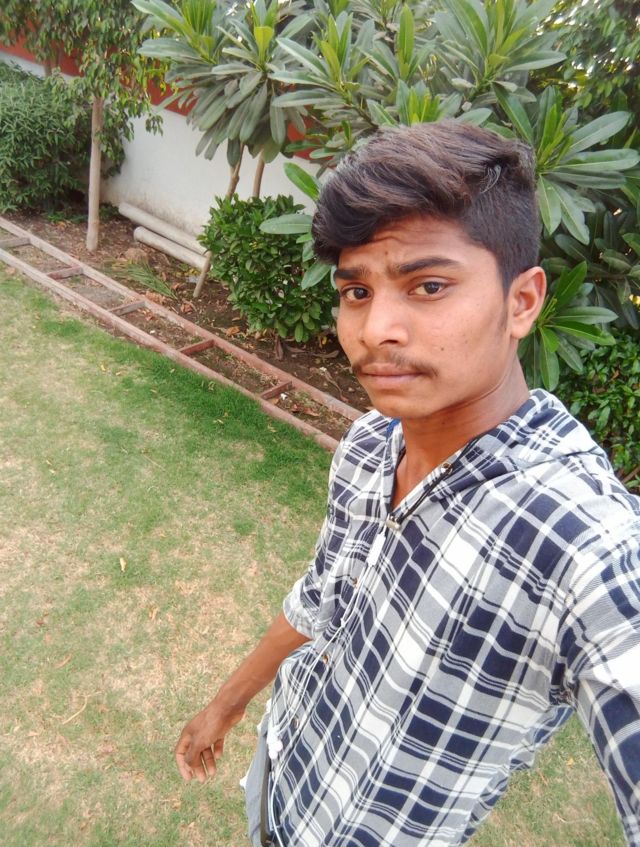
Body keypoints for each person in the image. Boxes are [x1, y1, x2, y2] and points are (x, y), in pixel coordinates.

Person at [175, 120, 640, 846]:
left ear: (522, 302)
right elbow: (321, 596)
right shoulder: (370, 443)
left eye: (428, 285)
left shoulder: (582, 541)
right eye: (356, 291)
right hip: (282, 769)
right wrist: (227, 705)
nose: (375, 329)